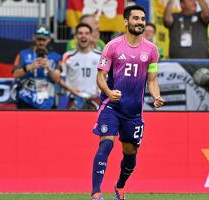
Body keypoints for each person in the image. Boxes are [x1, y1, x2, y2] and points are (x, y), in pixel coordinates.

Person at [91, 5, 164, 200]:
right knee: (105, 144)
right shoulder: (113, 46)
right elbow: (100, 75)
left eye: (142, 19)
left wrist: (156, 96)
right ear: (126, 22)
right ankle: (96, 194)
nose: (140, 22)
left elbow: (152, 79)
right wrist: (107, 91)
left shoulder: (152, 50)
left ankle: (120, 186)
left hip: (133, 112)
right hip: (112, 107)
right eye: (136, 18)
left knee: (130, 154)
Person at [12, 25, 62, 109]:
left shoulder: (56, 57)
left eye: (44, 39)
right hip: (26, 99)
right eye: (39, 39)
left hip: (47, 100)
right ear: (34, 37)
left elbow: (56, 79)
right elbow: (15, 74)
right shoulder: (23, 54)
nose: (41, 42)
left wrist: (49, 67)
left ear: (49, 39)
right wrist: (30, 66)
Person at [60, 23, 101, 110]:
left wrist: (100, 90)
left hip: (94, 100)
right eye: (80, 33)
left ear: (91, 36)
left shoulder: (101, 56)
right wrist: (71, 89)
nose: (83, 36)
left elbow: (107, 78)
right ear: (75, 36)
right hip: (74, 101)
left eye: (86, 33)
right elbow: (60, 79)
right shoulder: (67, 56)